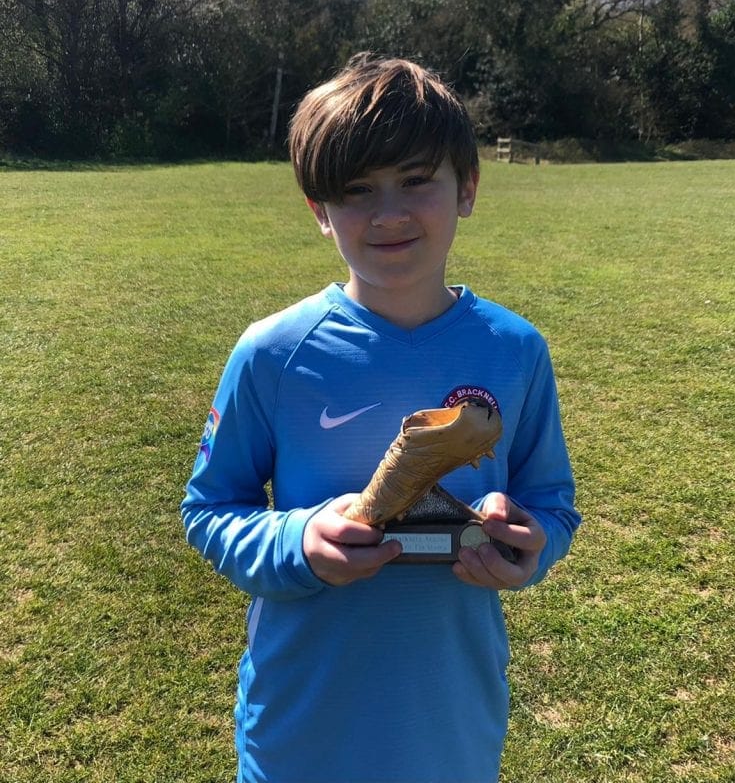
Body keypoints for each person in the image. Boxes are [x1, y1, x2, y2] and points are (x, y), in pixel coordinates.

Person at [181, 54, 581, 783]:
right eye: (356, 190)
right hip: (301, 727)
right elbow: (209, 510)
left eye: (416, 180)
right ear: (319, 211)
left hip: (450, 725)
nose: (388, 214)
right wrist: (298, 540)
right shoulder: (272, 353)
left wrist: (530, 544)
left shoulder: (515, 349)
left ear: (467, 187)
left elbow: (551, 502)